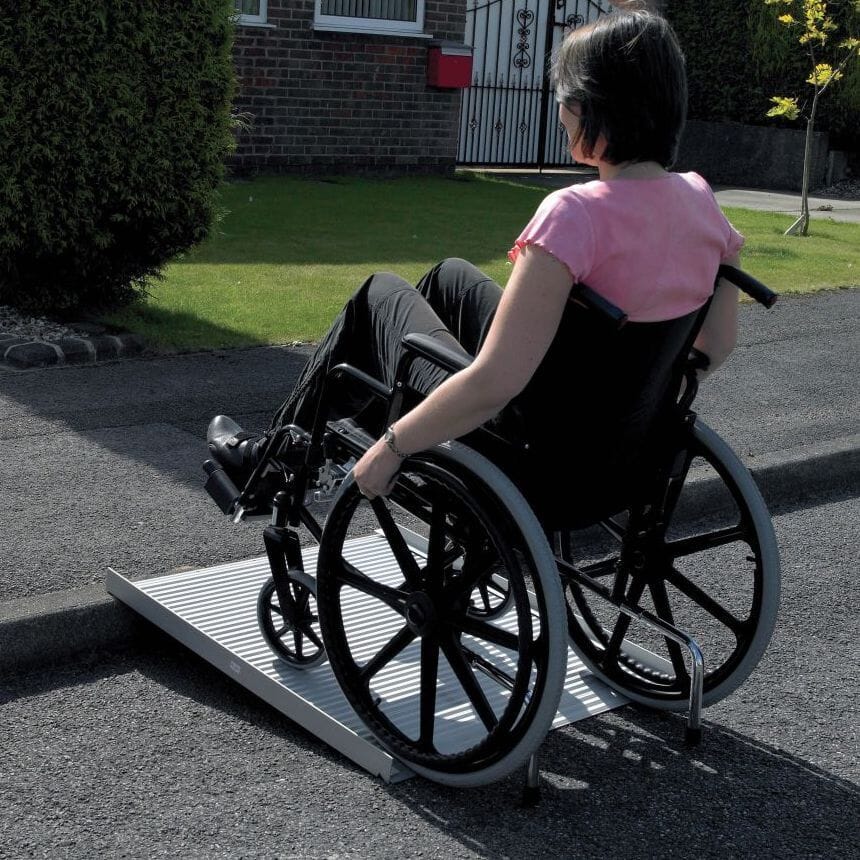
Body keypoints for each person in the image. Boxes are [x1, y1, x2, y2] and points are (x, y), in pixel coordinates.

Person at [208, 9, 744, 522]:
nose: (560, 112)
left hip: (528, 451)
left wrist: (394, 446)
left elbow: (496, 382)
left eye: (566, 99)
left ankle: (271, 461)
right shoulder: (701, 202)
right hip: (617, 460)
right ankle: (322, 441)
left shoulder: (574, 216)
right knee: (450, 278)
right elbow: (713, 347)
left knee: (378, 296)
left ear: (597, 108)